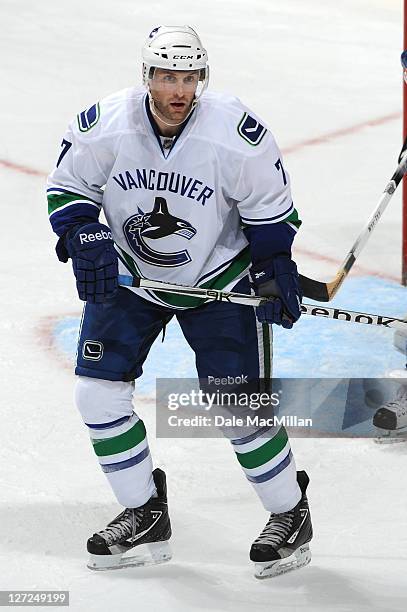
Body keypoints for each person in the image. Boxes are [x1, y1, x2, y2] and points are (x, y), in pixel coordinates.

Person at [47, 25, 312, 578]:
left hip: (219, 278)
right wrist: (81, 233)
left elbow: (271, 209)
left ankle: (291, 512)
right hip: (132, 277)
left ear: (201, 80)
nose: (178, 89)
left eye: (188, 77)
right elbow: (68, 187)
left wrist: (273, 268)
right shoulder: (105, 125)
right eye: (167, 76)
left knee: (236, 407)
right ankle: (145, 511)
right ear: (147, 76)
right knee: (96, 396)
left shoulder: (236, 133)